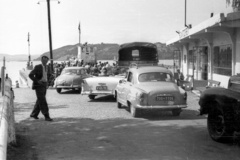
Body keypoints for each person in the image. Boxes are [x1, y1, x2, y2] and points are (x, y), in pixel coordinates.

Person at [28, 55, 53, 121]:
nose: (45, 61)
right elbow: (30, 75)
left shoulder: (48, 67)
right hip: (39, 86)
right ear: (41, 60)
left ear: (47, 61)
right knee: (42, 100)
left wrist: (48, 83)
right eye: (44, 60)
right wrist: (37, 81)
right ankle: (46, 116)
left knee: (40, 100)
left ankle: (34, 114)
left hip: (44, 85)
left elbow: (50, 75)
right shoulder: (38, 67)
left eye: (46, 60)